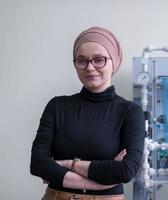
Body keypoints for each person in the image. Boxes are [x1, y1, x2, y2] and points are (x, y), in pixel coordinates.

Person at [30, 26, 145, 200]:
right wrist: (98, 178)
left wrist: (68, 164)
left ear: (113, 62)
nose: (90, 67)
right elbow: (38, 163)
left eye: (99, 60)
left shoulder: (130, 111)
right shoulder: (57, 106)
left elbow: (126, 170)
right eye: (82, 60)